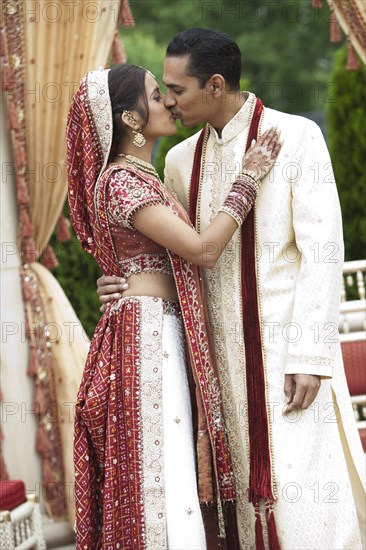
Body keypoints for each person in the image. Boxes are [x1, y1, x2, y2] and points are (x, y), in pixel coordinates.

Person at [97, 29, 366, 550]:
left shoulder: (296, 137)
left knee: (303, 495)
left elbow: (323, 251)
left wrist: (310, 355)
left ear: (216, 84)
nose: (169, 101)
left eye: (177, 89)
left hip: (286, 356)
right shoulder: (179, 160)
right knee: (241, 502)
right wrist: (122, 282)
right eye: (163, 93)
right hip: (216, 366)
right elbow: (174, 253)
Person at [67, 64, 281, 549]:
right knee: (163, 479)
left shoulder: (140, 178)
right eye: (154, 95)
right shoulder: (124, 183)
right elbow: (203, 251)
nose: (167, 102)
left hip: (153, 333)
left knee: (169, 471)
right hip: (146, 344)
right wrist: (247, 178)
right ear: (132, 119)